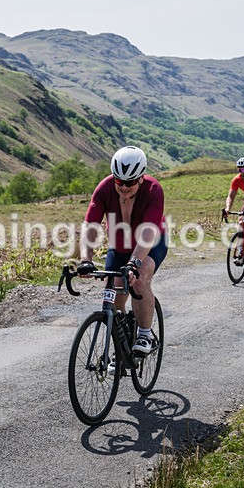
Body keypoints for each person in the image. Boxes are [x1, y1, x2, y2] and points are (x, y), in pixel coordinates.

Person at [77, 146, 168, 355]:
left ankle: (145, 334)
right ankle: (121, 346)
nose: (124, 187)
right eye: (119, 181)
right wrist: (85, 259)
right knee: (115, 298)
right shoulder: (105, 188)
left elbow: (148, 233)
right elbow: (90, 225)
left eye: (130, 182)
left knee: (140, 278)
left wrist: (134, 263)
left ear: (141, 178)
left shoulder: (154, 190)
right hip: (119, 246)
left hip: (151, 243)